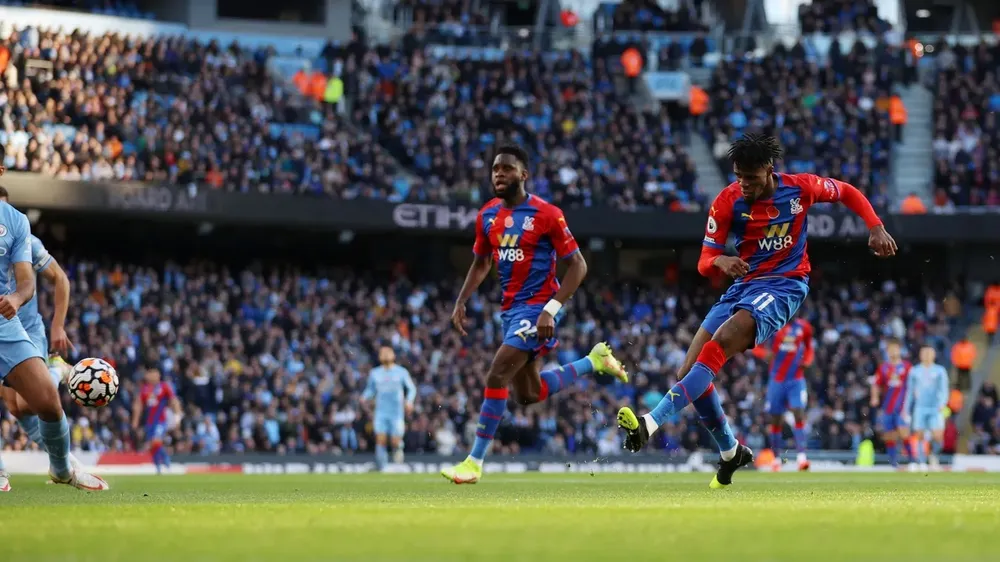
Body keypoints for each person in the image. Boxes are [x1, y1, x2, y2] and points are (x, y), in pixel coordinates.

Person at [615, 133, 896, 488]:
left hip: (785, 285)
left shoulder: (800, 189)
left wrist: (875, 226)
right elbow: (704, 260)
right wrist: (720, 260)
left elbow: (847, 192)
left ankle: (650, 422)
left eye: (751, 177)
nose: (744, 184)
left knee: (722, 341)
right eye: (739, 176)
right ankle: (731, 452)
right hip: (743, 286)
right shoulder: (727, 201)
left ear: (769, 169)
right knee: (688, 371)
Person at [441, 144, 629, 485]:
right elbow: (481, 262)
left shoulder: (547, 214)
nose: (499, 174)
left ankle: (473, 462)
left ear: (523, 175)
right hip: (511, 312)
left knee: (497, 373)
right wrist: (461, 300)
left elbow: (578, 265)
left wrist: (550, 309)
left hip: (538, 308)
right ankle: (593, 361)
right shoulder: (487, 215)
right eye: (495, 169)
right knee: (527, 394)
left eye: (507, 168)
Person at [0, 147, 107, 491]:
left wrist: (18, 299)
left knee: (41, 402)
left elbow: (35, 281)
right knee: (16, 405)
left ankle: (62, 469)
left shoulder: (17, 224)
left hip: (11, 324)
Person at [760, 314, 814, 471]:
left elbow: (809, 347)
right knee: (776, 419)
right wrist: (764, 354)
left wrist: (807, 360)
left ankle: (802, 458)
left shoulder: (804, 326)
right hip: (777, 380)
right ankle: (776, 459)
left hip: (796, 379)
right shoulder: (772, 324)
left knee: (798, 412)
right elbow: (754, 344)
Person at [362, 346, 416, 470]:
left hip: (396, 413)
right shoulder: (375, 373)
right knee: (380, 440)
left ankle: (398, 458)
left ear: (393, 356)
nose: (385, 355)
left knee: (395, 441)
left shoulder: (401, 372)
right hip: (381, 412)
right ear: (379, 357)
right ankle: (383, 467)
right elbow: (370, 389)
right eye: (383, 353)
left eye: (388, 353)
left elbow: (411, 388)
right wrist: (364, 397)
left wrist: (409, 401)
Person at [903, 344, 950, 471]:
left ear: (934, 355)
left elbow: (944, 389)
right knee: (919, 435)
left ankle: (934, 455)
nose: (927, 355)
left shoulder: (940, 370)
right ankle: (921, 461)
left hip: (935, 407)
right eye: (924, 353)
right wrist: (906, 409)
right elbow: (909, 391)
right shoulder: (915, 371)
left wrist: (943, 403)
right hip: (920, 407)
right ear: (920, 355)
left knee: (938, 436)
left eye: (929, 353)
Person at [871, 338, 913, 468]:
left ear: (900, 350)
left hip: (902, 407)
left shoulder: (907, 367)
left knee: (903, 432)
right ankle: (894, 464)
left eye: (895, 349)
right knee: (889, 435)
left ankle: (913, 461)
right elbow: (875, 384)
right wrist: (874, 397)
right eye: (890, 350)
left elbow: (913, 384)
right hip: (888, 406)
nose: (892, 352)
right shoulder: (883, 368)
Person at [131, 368, 182, 474]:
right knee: (152, 446)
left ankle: (166, 459)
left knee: (155, 441)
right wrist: (135, 420)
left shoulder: (164, 387)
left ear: (157, 375)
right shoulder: (145, 389)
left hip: (161, 421)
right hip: (149, 422)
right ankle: (158, 466)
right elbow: (138, 405)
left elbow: (174, 400)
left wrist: (177, 416)